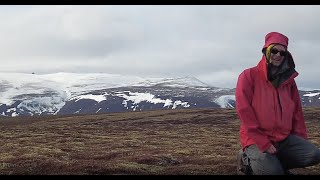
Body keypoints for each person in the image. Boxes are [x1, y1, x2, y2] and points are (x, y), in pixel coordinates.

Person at [235, 32, 320, 175]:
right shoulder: (249, 76)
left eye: (282, 52)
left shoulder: (289, 82)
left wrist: (299, 139)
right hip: (255, 140)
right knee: (274, 172)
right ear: (266, 51)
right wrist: (263, 142)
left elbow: (296, 112)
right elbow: (244, 111)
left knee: (314, 155)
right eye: (274, 50)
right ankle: (246, 159)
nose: (278, 55)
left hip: (283, 139)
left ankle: (272, 163)